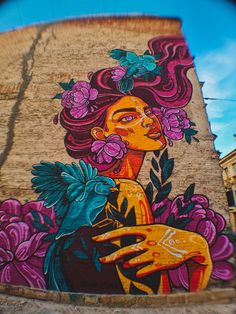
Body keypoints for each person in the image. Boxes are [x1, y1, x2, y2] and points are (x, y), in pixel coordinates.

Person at [56, 36, 213, 294]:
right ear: (100, 134)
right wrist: (200, 253)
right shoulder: (125, 192)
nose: (149, 121)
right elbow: (152, 299)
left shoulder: (93, 193)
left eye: (148, 112)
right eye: (128, 117)